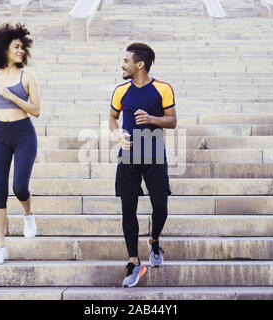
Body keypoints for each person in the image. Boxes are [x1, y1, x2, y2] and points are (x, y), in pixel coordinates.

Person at [109, 43, 177, 287]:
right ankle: (135, 263)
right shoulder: (120, 91)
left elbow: (172, 121)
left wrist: (151, 119)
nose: (122, 65)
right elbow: (112, 117)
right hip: (128, 157)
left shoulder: (162, 88)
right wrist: (117, 134)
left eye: (126, 61)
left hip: (155, 156)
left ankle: (154, 239)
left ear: (140, 64)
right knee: (128, 209)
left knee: (161, 205)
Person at [0, 22, 41, 265]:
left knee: (20, 187)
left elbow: (36, 110)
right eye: (16, 47)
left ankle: (28, 213)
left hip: (24, 134)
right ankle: (0, 245)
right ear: (3, 48)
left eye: (23, 47)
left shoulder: (28, 76)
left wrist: (12, 95)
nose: (21, 51)